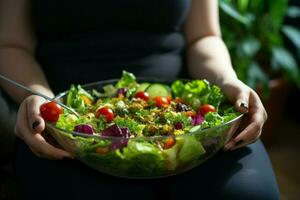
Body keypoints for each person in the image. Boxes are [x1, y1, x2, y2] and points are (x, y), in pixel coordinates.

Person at [0, 0, 279, 199]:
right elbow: (10, 44)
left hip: (188, 118)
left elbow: (204, 36)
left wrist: (227, 81)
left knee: (250, 194)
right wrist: (41, 100)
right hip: (65, 124)